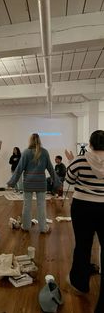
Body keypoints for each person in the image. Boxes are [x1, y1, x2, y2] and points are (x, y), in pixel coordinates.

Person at [65, 130, 104, 313]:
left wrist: (71, 160)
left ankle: (80, 284)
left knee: (82, 245)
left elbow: (69, 179)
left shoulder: (80, 160)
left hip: (82, 207)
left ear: (90, 143)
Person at [7, 133, 60, 233]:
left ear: (30, 140)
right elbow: (51, 169)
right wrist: (57, 182)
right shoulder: (44, 152)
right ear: (39, 140)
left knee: (27, 205)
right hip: (41, 183)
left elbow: (19, 169)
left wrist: (12, 182)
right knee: (41, 205)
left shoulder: (26, 152)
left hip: (28, 183)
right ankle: (43, 228)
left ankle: (25, 227)